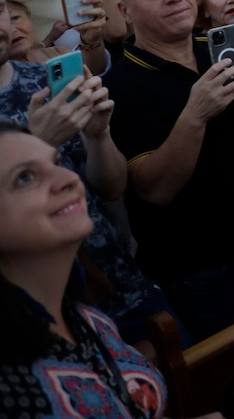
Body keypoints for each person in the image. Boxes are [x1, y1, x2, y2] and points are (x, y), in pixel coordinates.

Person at [104, 0, 234, 342]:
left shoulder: (216, 48)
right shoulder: (120, 85)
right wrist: (194, 115)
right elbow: (155, 190)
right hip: (197, 265)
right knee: (223, 378)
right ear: (125, 9)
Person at [0, 123, 170, 416]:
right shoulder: (10, 386)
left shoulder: (87, 317)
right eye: (25, 178)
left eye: (55, 162)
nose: (68, 178)